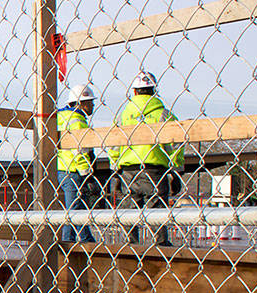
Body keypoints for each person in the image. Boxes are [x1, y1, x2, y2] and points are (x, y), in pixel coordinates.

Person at [110, 71, 183, 246]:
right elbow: (175, 144)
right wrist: (176, 168)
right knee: (157, 210)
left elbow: (114, 143)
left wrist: (115, 166)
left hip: (128, 169)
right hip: (155, 169)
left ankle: (131, 245)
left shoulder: (123, 115)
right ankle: (161, 244)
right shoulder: (163, 114)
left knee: (130, 211)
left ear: (134, 91)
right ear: (154, 91)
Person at [57, 83, 98, 243]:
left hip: (62, 168)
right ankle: (68, 240)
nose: (93, 104)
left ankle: (86, 237)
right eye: (90, 101)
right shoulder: (77, 121)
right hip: (73, 169)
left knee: (78, 206)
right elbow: (79, 151)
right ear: (82, 103)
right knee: (73, 208)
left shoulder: (62, 117)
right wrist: (86, 172)